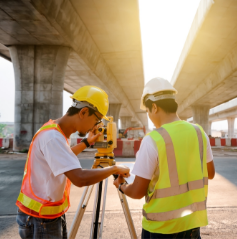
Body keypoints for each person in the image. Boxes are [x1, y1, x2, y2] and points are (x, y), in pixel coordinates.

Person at [16, 85, 130, 239]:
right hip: (40, 219)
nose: (96, 126)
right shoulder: (53, 137)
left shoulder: (56, 131)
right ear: (83, 112)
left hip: (47, 215)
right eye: (96, 120)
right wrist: (114, 169)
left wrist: (86, 142)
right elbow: (80, 178)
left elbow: (63, 158)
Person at [114, 77, 215, 239]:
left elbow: (138, 191)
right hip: (192, 225)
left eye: (147, 112)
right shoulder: (199, 133)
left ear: (154, 107)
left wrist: (121, 186)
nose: (149, 116)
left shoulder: (153, 139)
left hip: (160, 229)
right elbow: (209, 173)